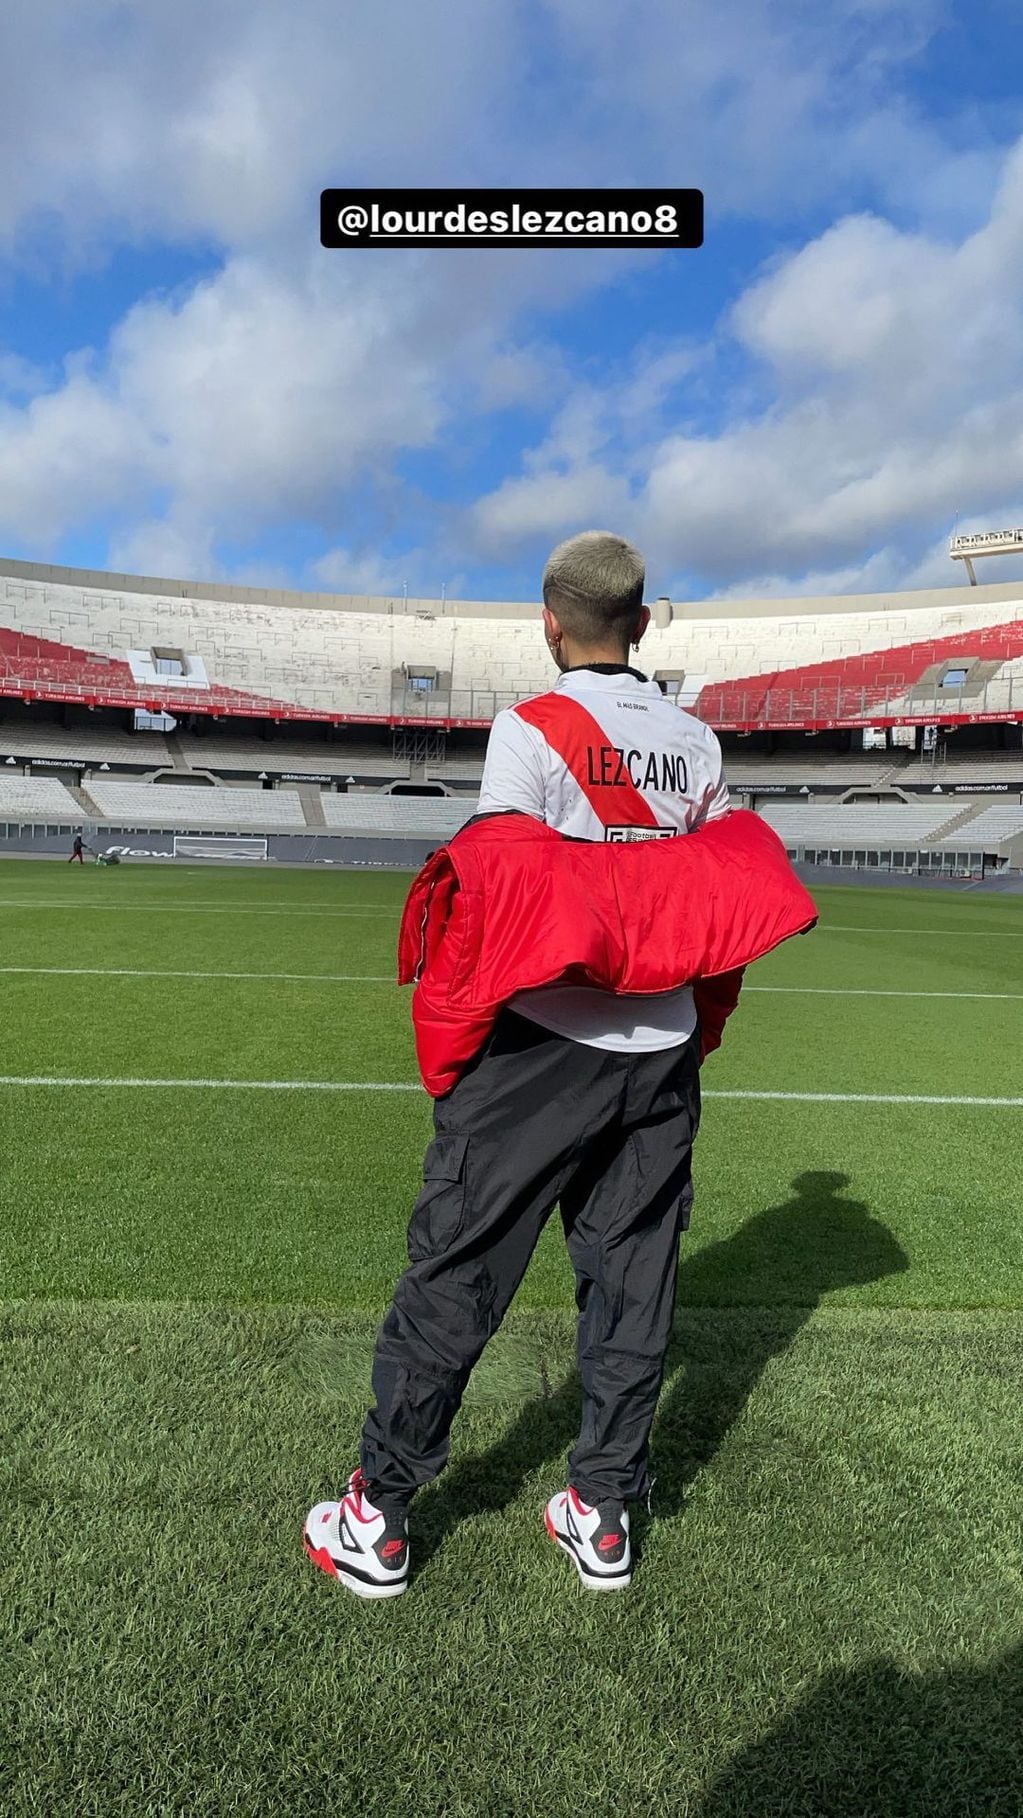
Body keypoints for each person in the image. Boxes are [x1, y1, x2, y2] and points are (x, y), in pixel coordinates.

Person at [304, 531, 731, 1599]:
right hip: (662, 1047)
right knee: (635, 1284)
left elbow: (505, 903)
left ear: (551, 625)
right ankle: (603, 1512)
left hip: (543, 1045)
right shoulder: (697, 744)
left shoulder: (529, 731)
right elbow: (712, 897)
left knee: (459, 1269)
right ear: (643, 621)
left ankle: (380, 1517)